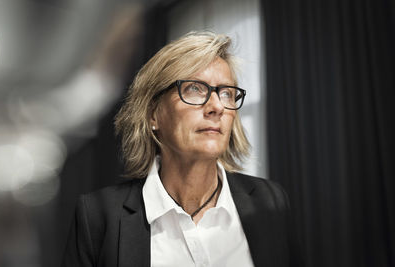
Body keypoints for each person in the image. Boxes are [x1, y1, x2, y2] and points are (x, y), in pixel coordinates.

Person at [61, 31, 303, 267]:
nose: (217, 106)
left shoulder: (270, 201)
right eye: (194, 89)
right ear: (153, 114)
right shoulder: (97, 216)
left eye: (227, 93)